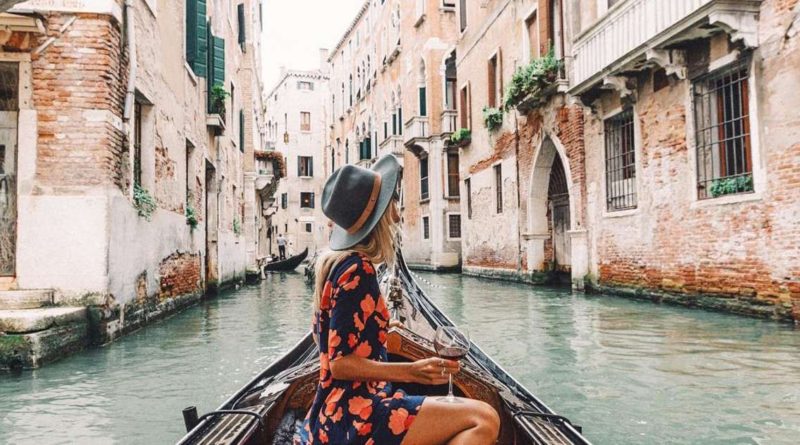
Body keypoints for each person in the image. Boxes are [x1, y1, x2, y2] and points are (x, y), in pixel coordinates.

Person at [297, 155, 499, 445]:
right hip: (355, 417)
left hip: (333, 412)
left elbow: (329, 341)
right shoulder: (358, 269)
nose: (396, 212)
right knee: (484, 419)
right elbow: (341, 364)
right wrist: (412, 371)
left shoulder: (333, 265)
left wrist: (379, 330)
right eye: (391, 202)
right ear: (379, 216)